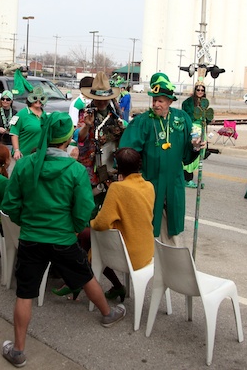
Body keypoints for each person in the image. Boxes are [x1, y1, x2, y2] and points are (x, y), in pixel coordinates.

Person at [0, 112, 126, 367]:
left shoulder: (25, 165)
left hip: (31, 238)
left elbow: (10, 205)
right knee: (85, 275)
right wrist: (70, 228)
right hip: (63, 238)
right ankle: (108, 314)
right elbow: (83, 212)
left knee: (25, 293)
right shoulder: (75, 170)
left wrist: (29, 221)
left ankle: (18, 350)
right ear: (68, 139)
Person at [119, 72, 205, 246]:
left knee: (173, 223)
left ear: (170, 101)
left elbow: (188, 155)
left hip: (174, 183)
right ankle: (147, 258)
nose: (156, 104)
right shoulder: (142, 121)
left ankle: (171, 260)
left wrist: (196, 147)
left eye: (161, 101)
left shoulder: (182, 119)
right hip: (150, 182)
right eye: (154, 100)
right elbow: (127, 151)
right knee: (148, 222)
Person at [91, 147, 155, 302]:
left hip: (128, 255)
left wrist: (91, 222)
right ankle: (115, 286)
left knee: (88, 238)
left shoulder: (117, 188)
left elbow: (101, 224)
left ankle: (113, 285)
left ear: (118, 168)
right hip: (146, 252)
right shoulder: (149, 186)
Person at [76, 72, 125, 210]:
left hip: (109, 168)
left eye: (105, 99)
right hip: (89, 169)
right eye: (98, 98)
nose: (102, 102)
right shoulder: (86, 113)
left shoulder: (116, 116)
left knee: (109, 208)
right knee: (88, 206)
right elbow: (79, 138)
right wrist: (87, 125)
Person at [181, 83, 213, 188]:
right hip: (193, 130)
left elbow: (207, 117)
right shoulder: (188, 102)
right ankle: (187, 179)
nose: (200, 92)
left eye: (202, 90)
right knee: (193, 151)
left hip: (202, 130)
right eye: (198, 90)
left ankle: (193, 179)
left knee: (200, 155)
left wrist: (208, 119)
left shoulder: (204, 103)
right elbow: (186, 115)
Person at [9, 86, 47, 160]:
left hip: (39, 156)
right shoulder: (22, 114)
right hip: (24, 155)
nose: (38, 101)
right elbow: (14, 133)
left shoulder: (45, 115)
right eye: (35, 98)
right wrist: (16, 150)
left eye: (41, 98)